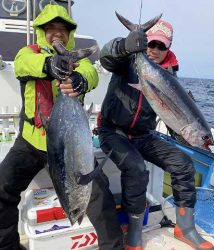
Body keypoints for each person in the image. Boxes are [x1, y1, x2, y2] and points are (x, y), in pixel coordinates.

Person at [0, 4, 123, 250]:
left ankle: (113, 248)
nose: (57, 33)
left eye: (62, 29)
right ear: (41, 32)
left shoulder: (79, 61)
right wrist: (49, 65)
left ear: (70, 34)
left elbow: (91, 73)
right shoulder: (28, 53)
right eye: (51, 29)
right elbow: (25, 65)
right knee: (1, 188)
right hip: (32, 142)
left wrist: (79, 78)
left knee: (100, 197)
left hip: (72, 145)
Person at [98, 18, 214, 250]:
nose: (155, 50)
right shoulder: (127, 61)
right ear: (145, 42)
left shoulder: (170, 78)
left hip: (144, 135)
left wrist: (182, 135)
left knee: (183, 163)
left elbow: (173, 119)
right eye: (151, 44)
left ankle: (185, 228)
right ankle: (133, 232)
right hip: (114, 132)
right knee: (136, 169)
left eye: (162, 46)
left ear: (168, 49)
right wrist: (124, 45)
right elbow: (106, 57)